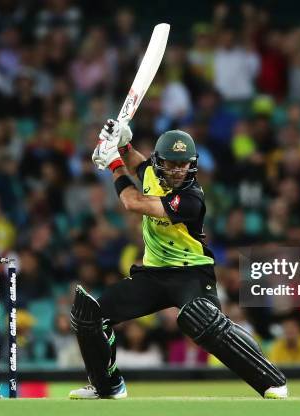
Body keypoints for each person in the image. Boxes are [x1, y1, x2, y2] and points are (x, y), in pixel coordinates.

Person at [68, 120, 287, 399]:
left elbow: (132, 202)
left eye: (183, 164)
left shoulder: (191, 198)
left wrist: (113, 164)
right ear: (159, 162)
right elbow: (139, 163)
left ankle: (272, 381)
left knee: (202, 321)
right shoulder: (151, 173)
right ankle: (107, 387)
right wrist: (122, 144)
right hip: (153, 275)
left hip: (192, 274)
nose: (177, 170)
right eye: (170, 164)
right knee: (90, 316)